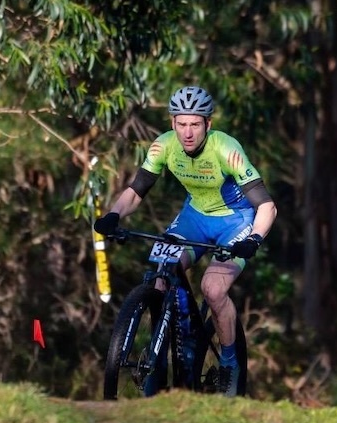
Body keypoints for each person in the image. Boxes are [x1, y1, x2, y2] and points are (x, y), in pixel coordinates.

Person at [94, 86, 277, 397]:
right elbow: (136, 191)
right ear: (172, 122)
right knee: (161, 273)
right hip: (195, 217)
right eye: (181, 124)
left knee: (213, 288)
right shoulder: (163, 146)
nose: (188, 133)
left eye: (195, 124)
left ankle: (230, 363)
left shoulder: (226, 149)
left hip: (237, 221)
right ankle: (164, 355)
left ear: (208, 124)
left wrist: (255, 239)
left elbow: (267, 206)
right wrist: (113, 215)